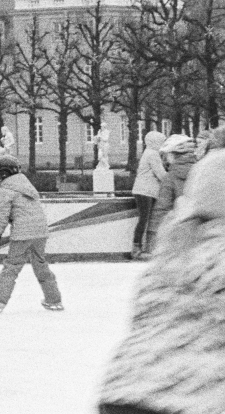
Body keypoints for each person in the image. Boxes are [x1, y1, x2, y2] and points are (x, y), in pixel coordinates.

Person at [95, 151, 225, 414]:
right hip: (185, 393)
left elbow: (144, 313)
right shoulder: (219, 252)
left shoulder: (173, 248)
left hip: (124, 388)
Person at [0, 154, 62, 313]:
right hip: (40, 231)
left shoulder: (5, 189)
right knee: (40, 264)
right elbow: (23, 210)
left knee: (12, 266)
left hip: (23, 233)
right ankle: (54, 300)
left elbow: (2, 216)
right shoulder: (26, 185)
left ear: (4, 173)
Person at [148, 134, 199, 250]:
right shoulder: (202, 170)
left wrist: (153, 234)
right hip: (200, 233)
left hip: (178, 234)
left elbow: (163, 207)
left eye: (165, 156)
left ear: (171, 155)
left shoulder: (170, 177)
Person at [130, 130, 167, 259]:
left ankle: (139, 247)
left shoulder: (149, 152)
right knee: (144, 219)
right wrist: (171, 179)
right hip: (145, 191)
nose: (163, 144)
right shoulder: (152, 154)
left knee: (144, 219)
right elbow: (161, 174)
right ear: (155, 142)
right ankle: (137, 248)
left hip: (143, 190)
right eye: (162, 142)